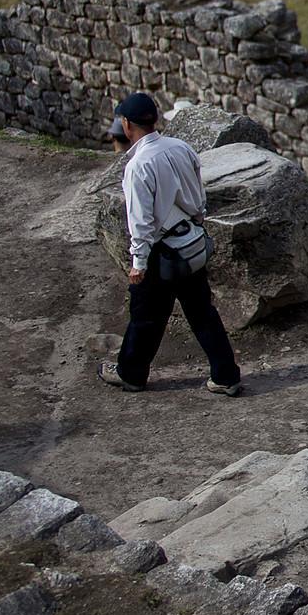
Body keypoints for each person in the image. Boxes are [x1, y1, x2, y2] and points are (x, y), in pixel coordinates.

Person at [101, 93, 241, 397]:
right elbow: (198, 194)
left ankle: (131, 374)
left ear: (126, 124)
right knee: (203, 311)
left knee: (145, 316)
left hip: (161, 252)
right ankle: (226, 376)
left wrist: (138, 263)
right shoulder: (181, 147)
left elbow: (140, 221)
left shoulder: (139, 166)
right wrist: (197, 222)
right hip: (190, 243)